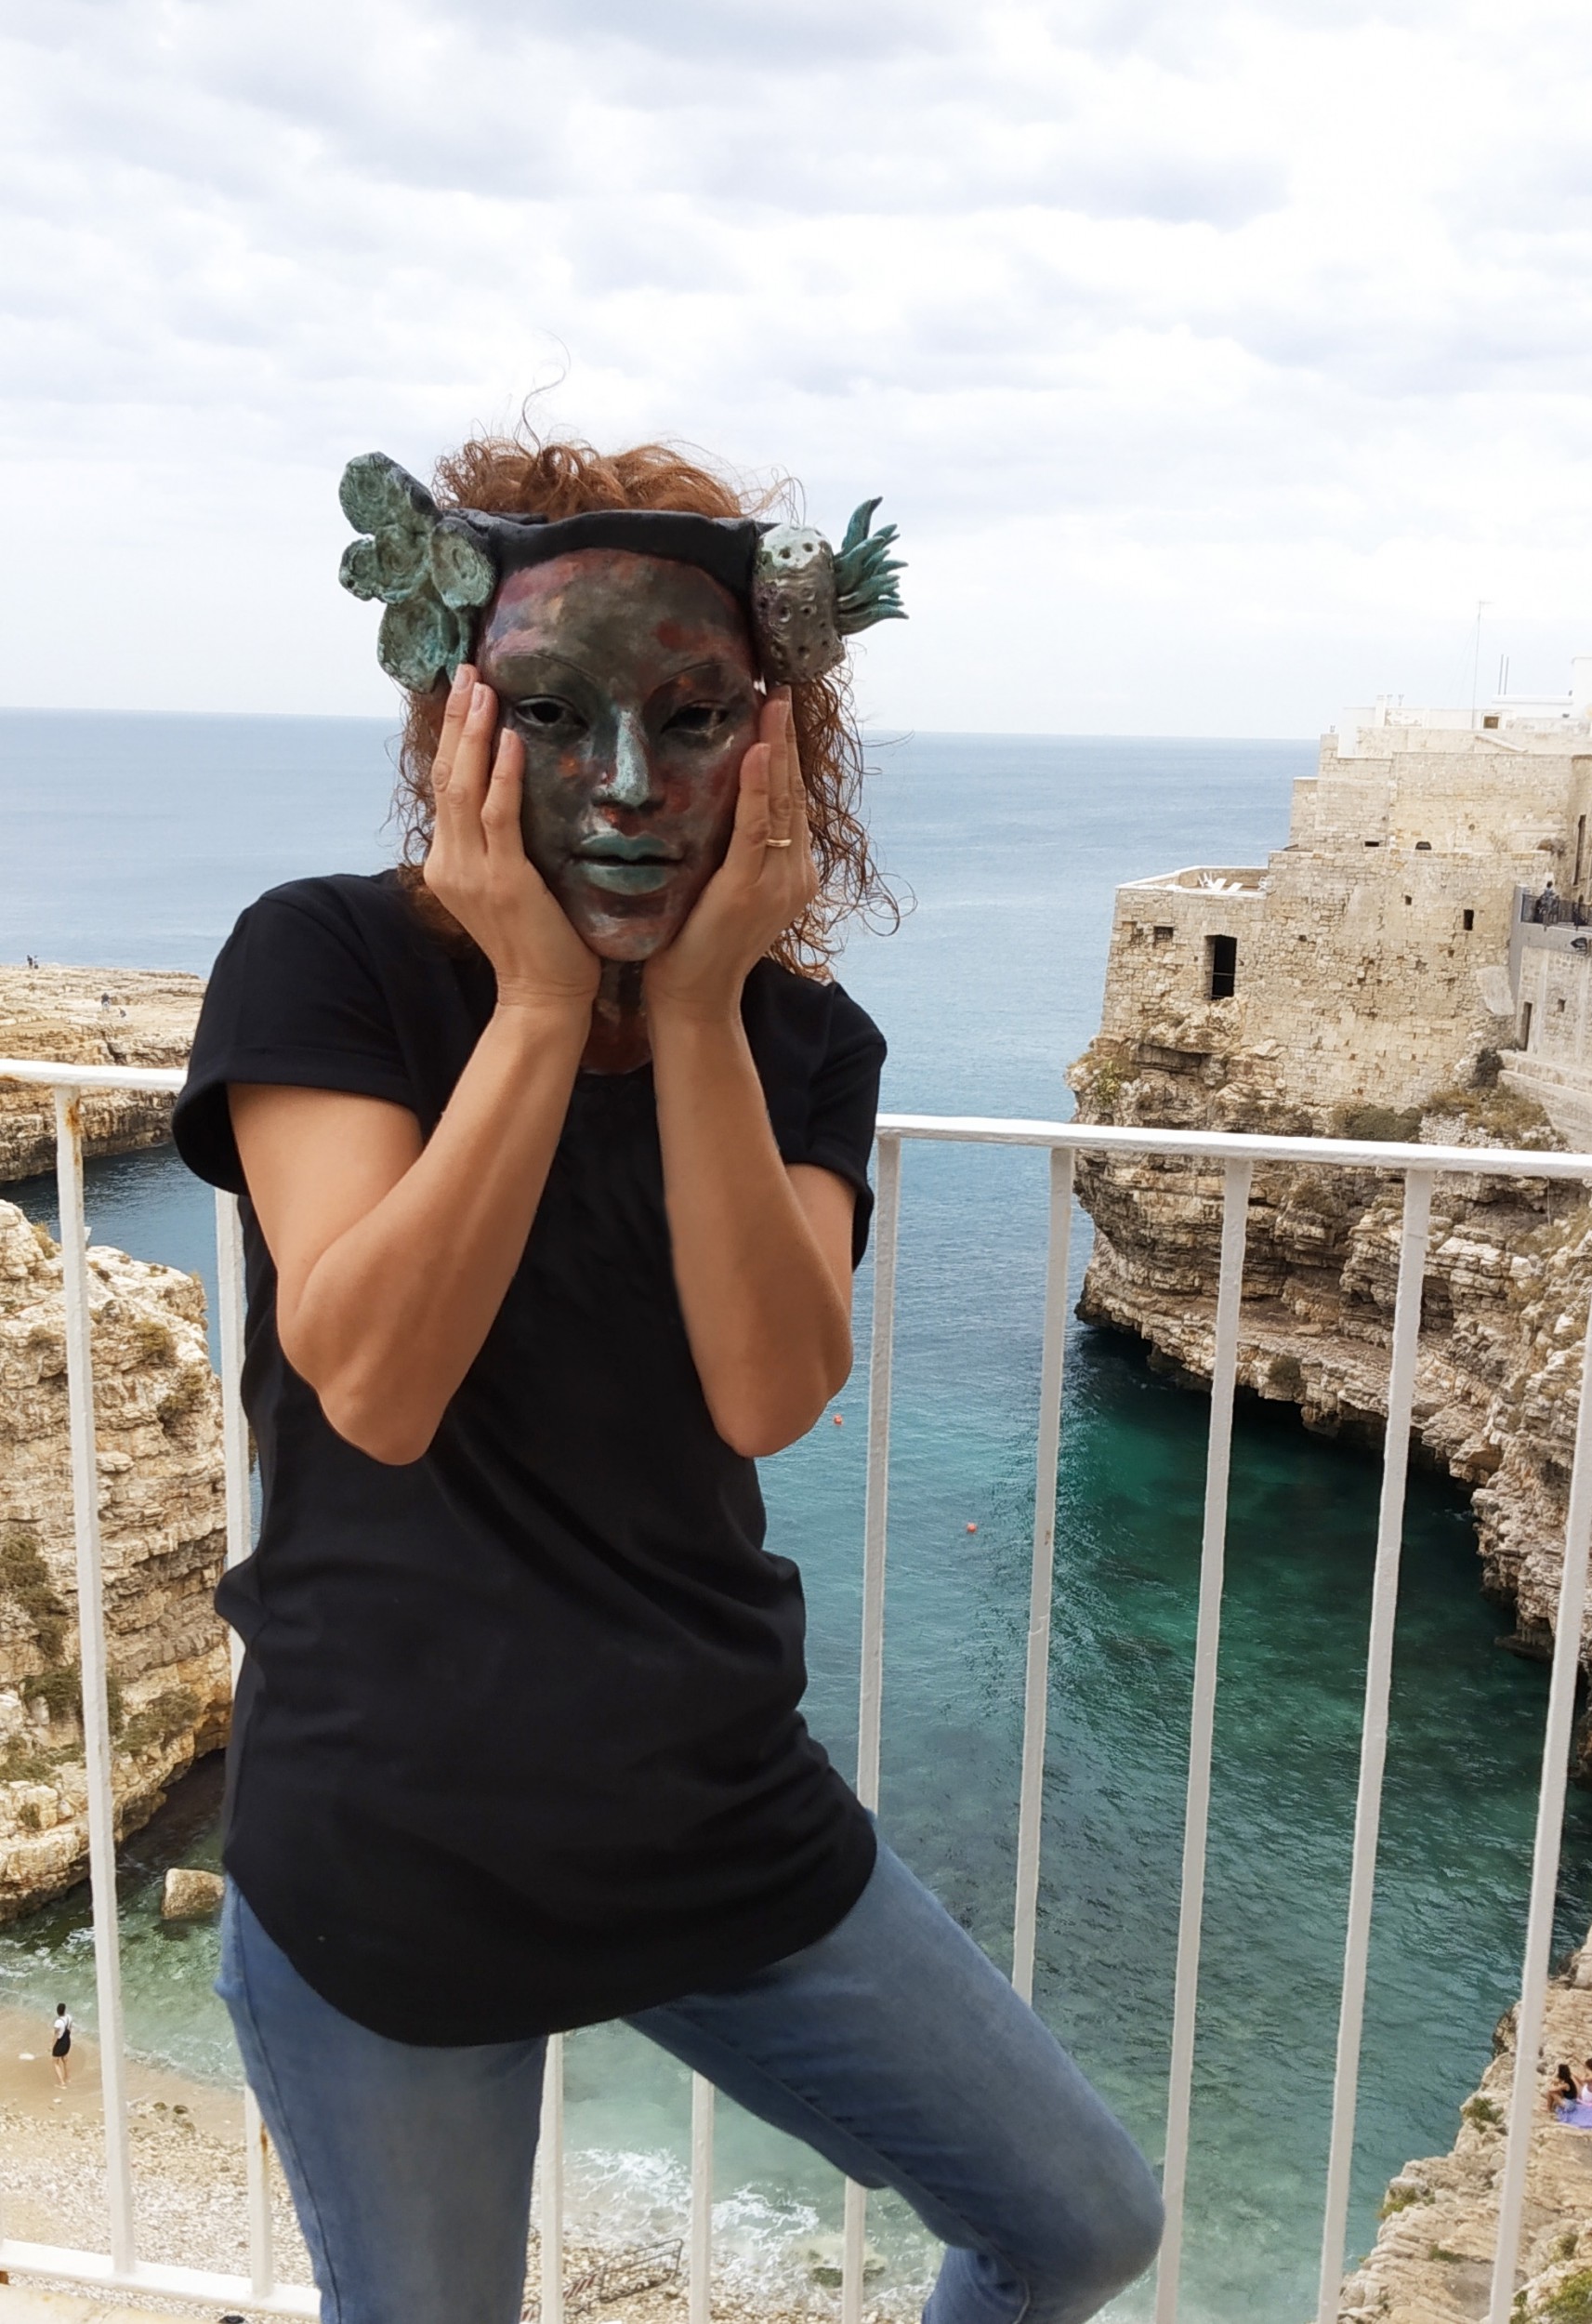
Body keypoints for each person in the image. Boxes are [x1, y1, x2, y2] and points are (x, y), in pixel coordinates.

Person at [173, 428, 1164, 2324]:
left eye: (691, 716)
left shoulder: (799, 1040)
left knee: (1077, 2219)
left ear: (774, 744)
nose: (627, 782)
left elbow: (767, 1389)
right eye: (555, 714)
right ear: (458, 726)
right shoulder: (326, 963)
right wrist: (544, 999)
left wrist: (695, 1004)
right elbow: (374, 1380)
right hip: (394, 1843)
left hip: (709, 1805)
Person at [50, 2002, 71, 2087]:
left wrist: (51, 2046)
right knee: (65, 2060)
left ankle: (62, 2083)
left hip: (60, 2042)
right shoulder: (69, 2017)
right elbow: (70, 2029)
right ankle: (68, 2078)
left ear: (57, 2011)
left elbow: (56, 2035)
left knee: (55, 2062)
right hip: (67, 2040)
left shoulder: (58, 2022)